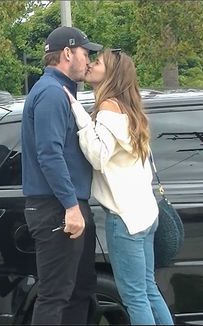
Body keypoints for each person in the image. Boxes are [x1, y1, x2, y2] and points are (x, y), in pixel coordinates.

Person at [63, 48, 174, 325]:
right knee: (148, 290)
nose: (90, 64)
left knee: (135, 297)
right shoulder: (130, 108)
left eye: (97, 62)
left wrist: (78, 113)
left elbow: (98, 156)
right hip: (145, 214)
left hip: (124, 218)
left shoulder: (109, 108)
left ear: (110, 73)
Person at [21, 26, 102, 325]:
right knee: (55, 295)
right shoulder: (51, 93)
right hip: (56, 207)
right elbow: (49, 154)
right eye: (85, 53)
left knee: (80, 291)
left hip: (67, 206)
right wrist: (70, 206)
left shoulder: (61, 91)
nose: (88, 60)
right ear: (67, 53)